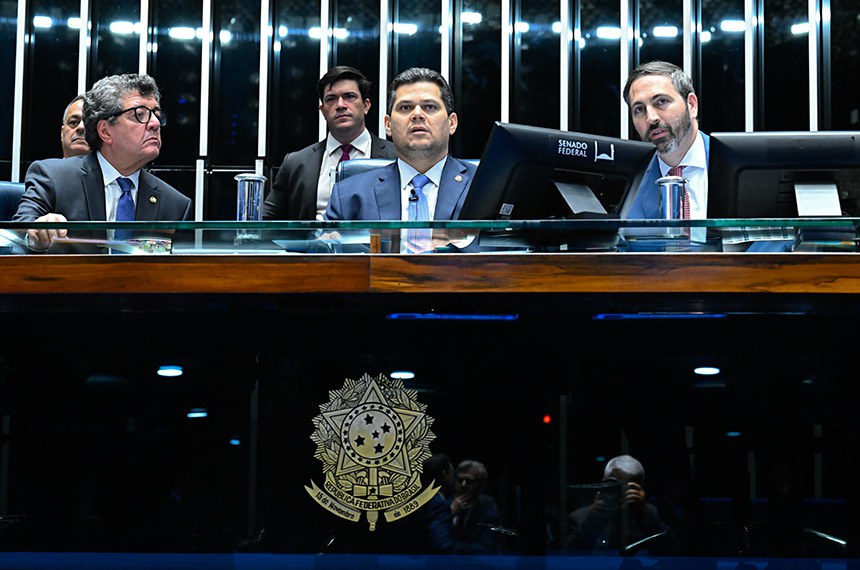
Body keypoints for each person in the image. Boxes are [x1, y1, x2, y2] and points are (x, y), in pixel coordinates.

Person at [14, 73, 193, 252]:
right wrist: (37, 232)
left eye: (156, 114)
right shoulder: (54, 177)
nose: (155, 123)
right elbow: (18, 232)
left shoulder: (176, 205)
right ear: (105, 131)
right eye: (140, 114)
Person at [324, 67, 476, 222]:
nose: (417, 115)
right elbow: (328, 238)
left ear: (452, 123)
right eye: (405, 107)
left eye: (430, 106)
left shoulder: (482, 188)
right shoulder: (348, 196)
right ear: (388, 125)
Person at [263, 66, 397, 221]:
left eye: (349, 96)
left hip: (374, 237)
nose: (340, 105)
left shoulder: (396, 157)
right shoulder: (295, 163)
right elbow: (266, 220)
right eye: (331, 99)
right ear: (323, 110)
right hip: (315, 237)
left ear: (366, 105)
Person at [622, 60, 707, 221]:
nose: (651, 118)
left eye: (661, 101)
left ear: (691, 105)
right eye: (639, 109)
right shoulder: (628, 183)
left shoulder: (735, 162)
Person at [564, 454, 680, 556]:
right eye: (613, 488)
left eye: (627, 488)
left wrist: (643, 514)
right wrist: (594, 519)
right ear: (603, 484)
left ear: (640, 488)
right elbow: (567, 557)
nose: (619, 493)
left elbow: (674, 552)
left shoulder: (649, 514)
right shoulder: (580, 518)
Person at [450, 458, 502, 554]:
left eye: (469, 481)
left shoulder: (488, 508)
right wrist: (450, 514)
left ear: (481, 485)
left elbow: (486, 547)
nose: (463, 485)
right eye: (460, 480)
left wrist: (450, 547)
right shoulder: (443, 504)